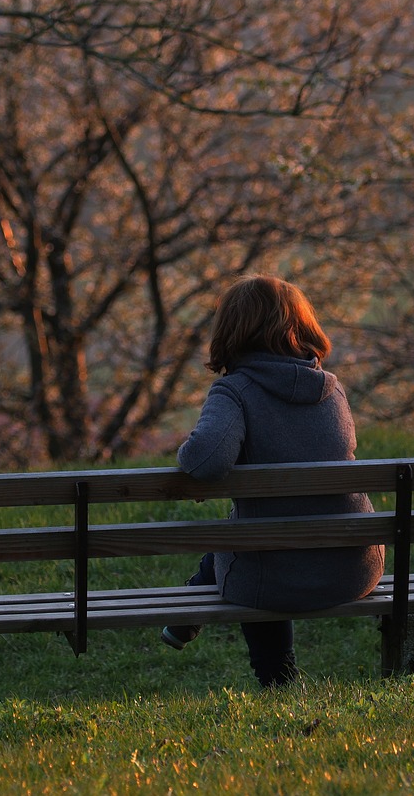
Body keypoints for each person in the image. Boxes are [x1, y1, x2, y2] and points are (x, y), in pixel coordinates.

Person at [162, 274, 384, 688]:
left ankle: (278, 677)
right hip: (353, 567)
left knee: (246, 549)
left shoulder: (235, 392)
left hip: (277, 574)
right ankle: (185, 618)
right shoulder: (332, 391)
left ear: (232, 330)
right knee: (241, 544)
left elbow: (205, 461)